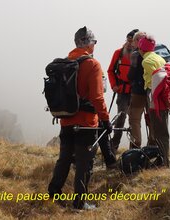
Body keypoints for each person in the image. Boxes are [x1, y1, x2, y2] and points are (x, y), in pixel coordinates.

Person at [48, 26, 112, 210]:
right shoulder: (92, 65)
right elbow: (97, 97)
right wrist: (106, 120)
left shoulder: (66, 62)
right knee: (85, 164)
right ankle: (79, 203)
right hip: (86, 123)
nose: (95, 45)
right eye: (94, 41)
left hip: (66, 119)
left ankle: (54, 193)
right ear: (87, 42)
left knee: (64, 158)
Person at [138, 35, 170, 167]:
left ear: (141, 48)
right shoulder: (159, 58)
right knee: (161, 128)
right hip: (164, 96)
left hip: (155, 96)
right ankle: (163, 158)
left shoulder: (146, 62)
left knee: (159, 130)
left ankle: (164, 161)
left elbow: (155, 80)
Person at [107, 29, 137, 153]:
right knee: (121, 118)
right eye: (127, 40)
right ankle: (114, 146)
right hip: (122, 91)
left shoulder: (139, 55)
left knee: (134, 120)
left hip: (135, 92)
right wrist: (113, 85)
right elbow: (110, 71)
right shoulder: (118, 53)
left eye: (132, 41)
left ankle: (134, 148)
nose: (129, 43)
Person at [127, 31, 154, 148]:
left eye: (134, 40)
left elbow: (131, 74)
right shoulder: (153, 54)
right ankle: (152, 144)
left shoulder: (135, 55)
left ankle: (136, 145)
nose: (132, 43)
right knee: (152, 118)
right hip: (151, 91)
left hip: (138, 92)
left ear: (138, 41)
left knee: (135, 119)